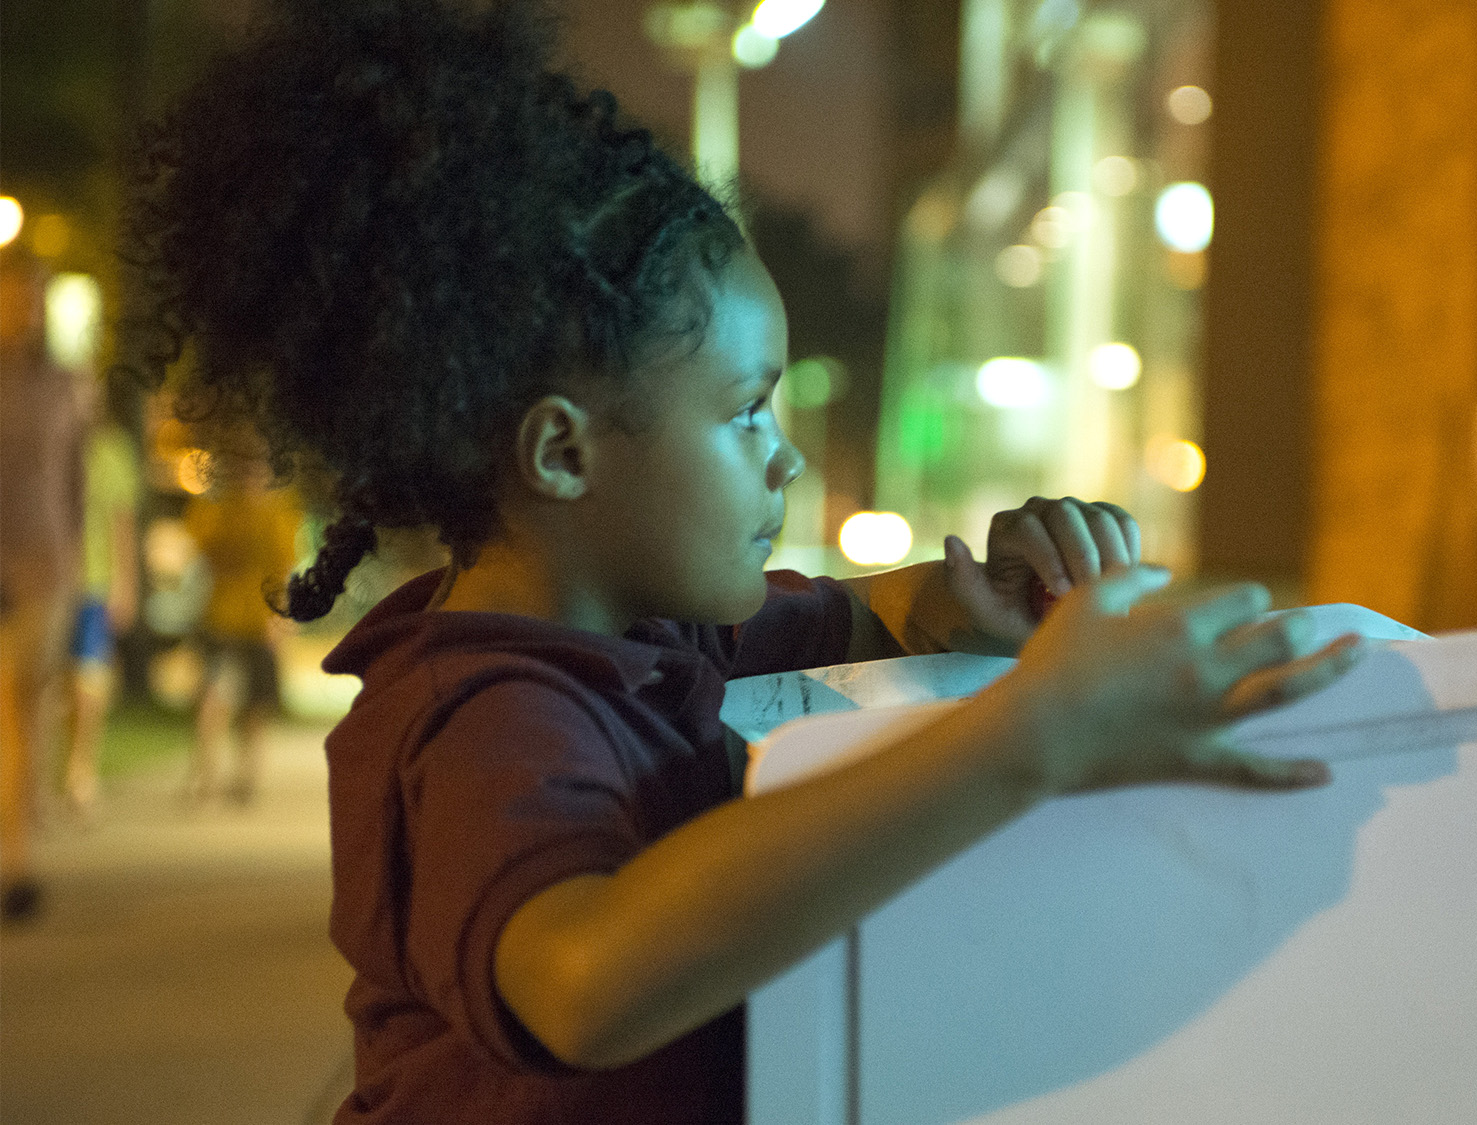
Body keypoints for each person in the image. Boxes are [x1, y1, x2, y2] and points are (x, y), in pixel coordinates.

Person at [123, 1, 1365, 1120]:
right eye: (745, 413)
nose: (782, 461)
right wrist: (1032, 733)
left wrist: (981, 596)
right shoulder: (480, 716)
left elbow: (868, 614)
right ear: (562, 453)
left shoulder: (660, 637)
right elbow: (584, 981)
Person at [0, 247, 83, 924]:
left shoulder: (65, 384)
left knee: (24, 708)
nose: (21, 308)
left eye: (31, 296)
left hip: (44, 565)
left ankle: (17, 860)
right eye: (10, 295)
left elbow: (76, 481)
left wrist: (79, 561)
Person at [181, 456, 299, 806]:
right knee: (224, 698)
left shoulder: (226, 512)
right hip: (231, 619)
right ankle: (216, 776)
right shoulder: (271, 513)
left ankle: (233, 777)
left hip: (242, 618)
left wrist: (280, 617)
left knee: (247, 703)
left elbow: (283, 567)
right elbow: (284, 567)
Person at [62, 381, 142, 818]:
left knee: (87, 685)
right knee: (38, 685)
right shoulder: (44, 440)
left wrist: (125, 585)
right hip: (46, 582)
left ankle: (80, 771)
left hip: (93, 584)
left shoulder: (112, 450)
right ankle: (31, 784)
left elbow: (121, 522)